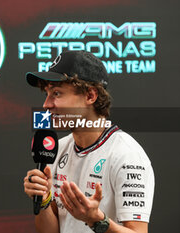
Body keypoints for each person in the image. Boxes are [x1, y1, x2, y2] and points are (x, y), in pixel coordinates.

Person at [23, 50, 154, 233]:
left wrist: (97, 220)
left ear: (90, 96)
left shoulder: (126, 155)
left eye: (57, 93)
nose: (46, 104)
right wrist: (44, 199)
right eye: (47, 93)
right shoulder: (59, 149)